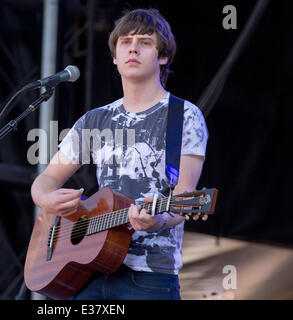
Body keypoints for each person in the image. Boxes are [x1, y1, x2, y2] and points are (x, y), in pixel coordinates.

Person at [30, 8, 208, 300]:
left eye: (145, 42)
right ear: (115, 57)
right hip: (88, 274)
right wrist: (45, 198)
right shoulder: (95, 120)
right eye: (125, 42)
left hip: (149, 279)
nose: (133, 48)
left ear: (163, 57)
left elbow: (185, 197)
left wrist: (159, 220)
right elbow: (46, 178)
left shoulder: (184, 116)